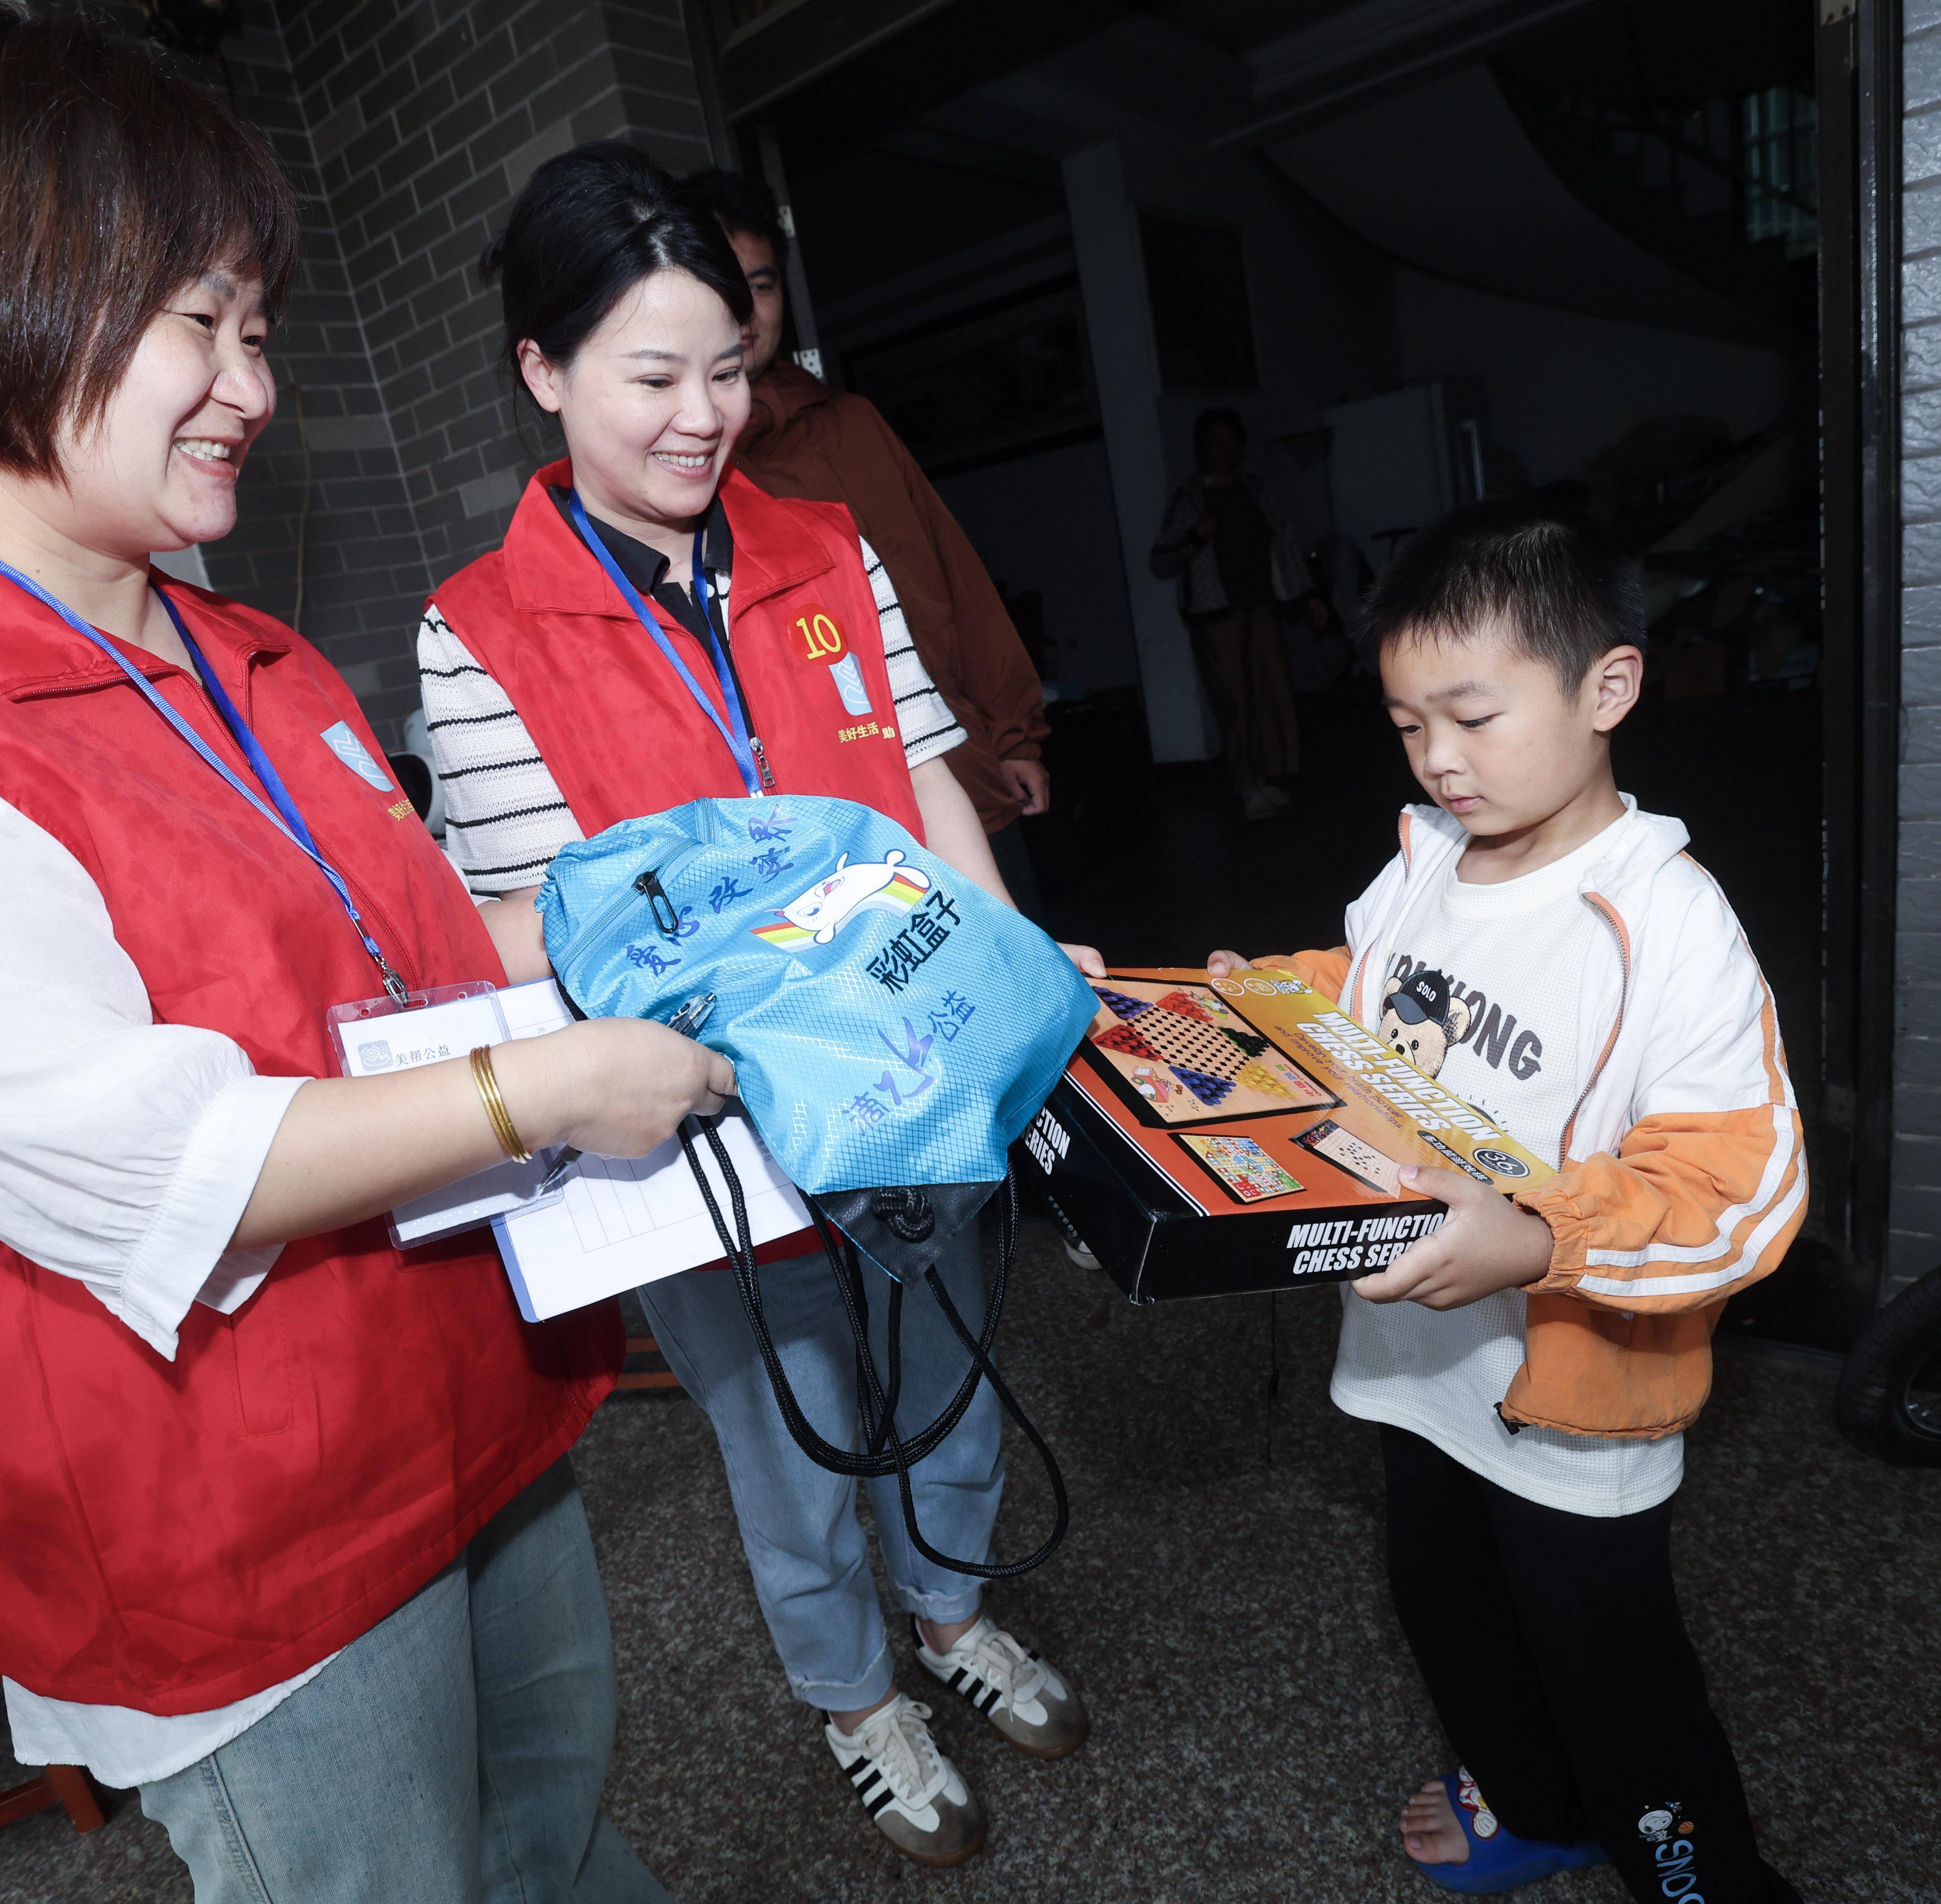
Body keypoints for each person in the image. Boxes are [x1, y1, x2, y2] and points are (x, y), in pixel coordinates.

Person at [0, 1, 723, 1904]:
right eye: (200, 319)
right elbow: (158, 1159)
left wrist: (670, 920)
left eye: (254, 326)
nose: (249, 385)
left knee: (557, 1845)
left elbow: (403, 954)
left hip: (456, 1412)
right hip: (231, 1541)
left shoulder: (235, 655)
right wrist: (560, 1079)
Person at [418, 142, 1100, 1870]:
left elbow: (925, 785)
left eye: (728, 369)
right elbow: (522, 925)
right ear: (543, 371)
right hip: (709, 1128)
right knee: (788, 1438)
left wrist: (1013, 974)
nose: (700, 418)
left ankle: (949, 1616)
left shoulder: (824, 542)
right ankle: (852, 1690)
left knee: (948, 1373)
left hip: (915, 1070)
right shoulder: (480, 629)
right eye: (651, 377)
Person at [1205, 502, 1805, 1902]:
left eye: (1472, 717)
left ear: (1608, 686)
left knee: (1618, 1683)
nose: (1439, 760)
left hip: (1569, 1402)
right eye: (1411, 724)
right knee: (1449, 1615)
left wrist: (1541, 1239)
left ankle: (1701, 1880)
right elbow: (1362, 1006)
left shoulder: (1663, 924)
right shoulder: (1422, 865)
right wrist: (1253, 1006)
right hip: (1419, 1367)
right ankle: (1532, 1806)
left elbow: (1738, 1190)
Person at [671, 167, 1057, 914]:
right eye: (721, 283)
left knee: (1026, 989)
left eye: (763, 284)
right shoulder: (686, 468)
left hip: (954, 780)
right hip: (820, 842)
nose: (746, 310)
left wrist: (1014, 734)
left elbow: (954, 582)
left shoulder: (853, 425)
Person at [1150, 406, 1309, 821]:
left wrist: (1307, 595)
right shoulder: (1189, 498)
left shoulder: (1254, 488)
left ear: (1240, 445)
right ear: (1202, 449)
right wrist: (1194, 534)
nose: (1222, 449)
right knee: (1235, 702)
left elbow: (1285, 543)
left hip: (1260, 605)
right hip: (1216, 614)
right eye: (1213, 442)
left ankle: (1266, 777)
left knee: (1268, 694)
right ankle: (1245, 785)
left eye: (1229, 440)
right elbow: (1161, 562)